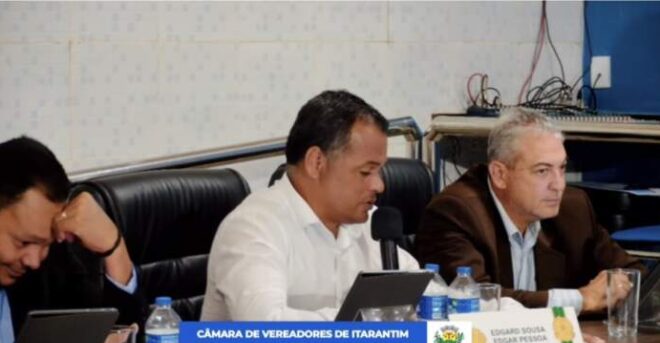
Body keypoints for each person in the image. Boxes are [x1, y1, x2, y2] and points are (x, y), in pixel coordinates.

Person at [201, 90, 419, 321]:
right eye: (366, 172)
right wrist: (366, 321)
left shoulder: (370, 224)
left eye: (379, 171)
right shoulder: (252, 227)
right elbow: (265, 326)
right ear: (317, 162)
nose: (379, 185)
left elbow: (426, 295)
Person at [415, 107, 643, 316]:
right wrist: (580, 300)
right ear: (500, 175)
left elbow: (637, 276)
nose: (559, 185)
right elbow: (476, 302)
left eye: (562, 168)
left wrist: (617, 285)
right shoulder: (455, 213)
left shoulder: (573, 209)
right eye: (542, 171)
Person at [0, 136, 142, 343]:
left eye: (46, 244)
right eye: (23, 242)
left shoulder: (52, 265)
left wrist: (114, 248)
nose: (34, 261)